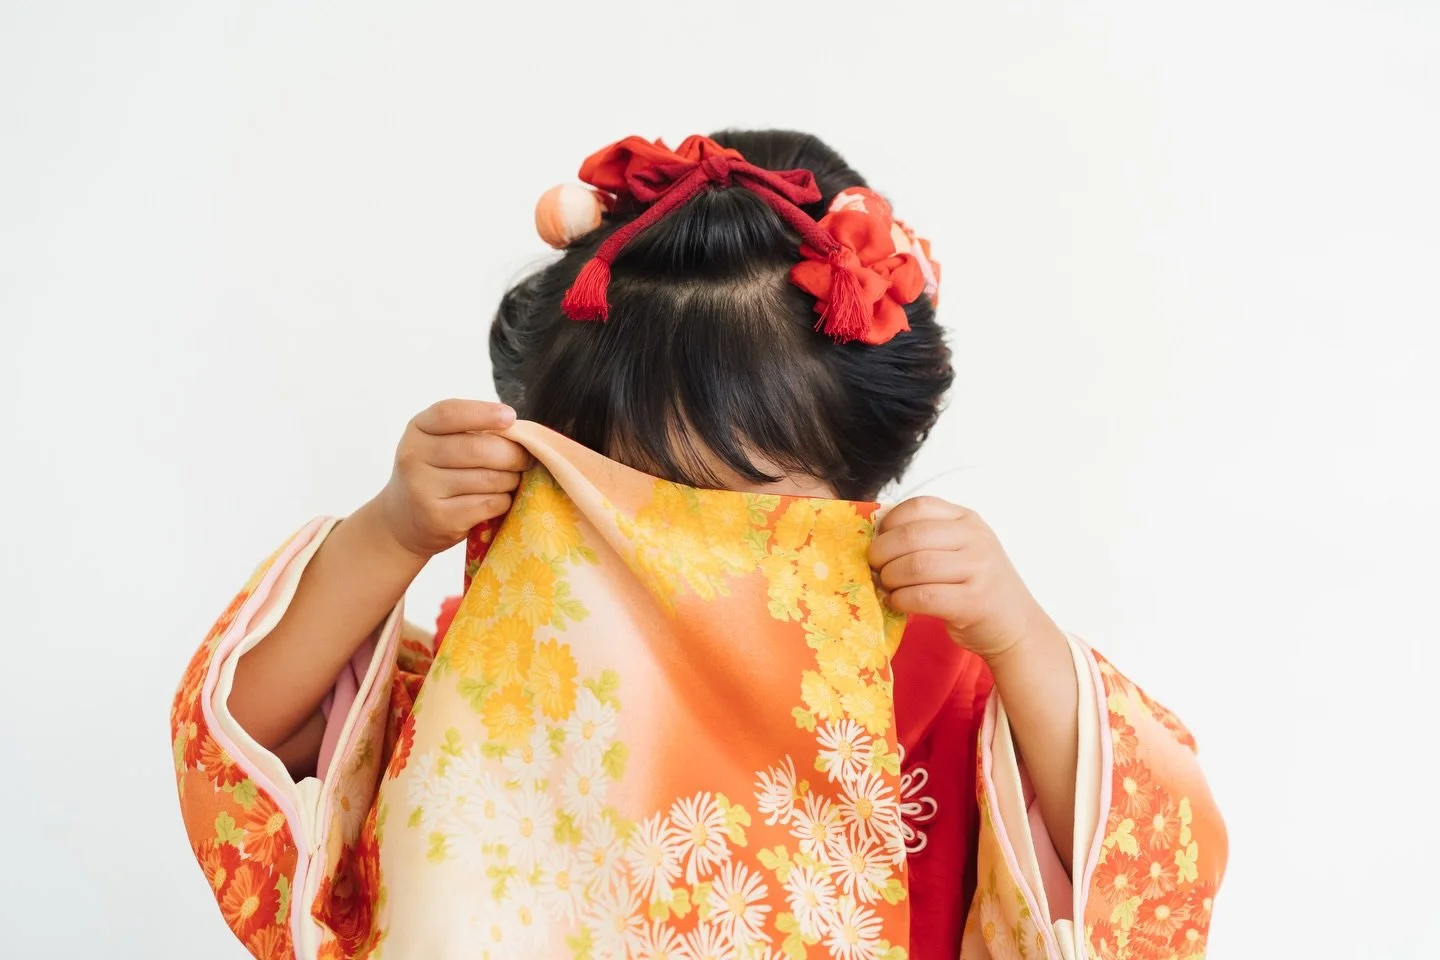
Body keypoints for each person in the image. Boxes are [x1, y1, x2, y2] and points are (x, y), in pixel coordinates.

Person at [170, 131, 1225, 960]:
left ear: (858, 487)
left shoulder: (935, 670)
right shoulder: (519, 657)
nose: (676, 551)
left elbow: (1131, 857)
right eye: (623, 500)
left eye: (737, 516)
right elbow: (252, 738)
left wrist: (1019, 634)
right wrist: (389, 534)